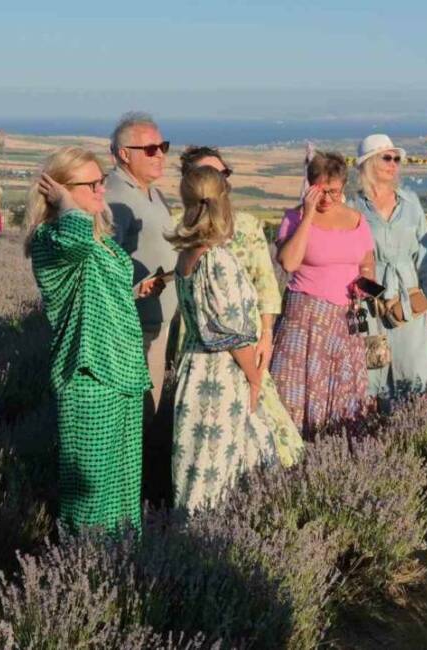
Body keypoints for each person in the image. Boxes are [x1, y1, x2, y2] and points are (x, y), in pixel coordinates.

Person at [24, 146, 151, 531]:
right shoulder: (52, 239)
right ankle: (84, 573)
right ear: (57, 191)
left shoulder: (100, 239)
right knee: (92, 497)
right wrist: (64, 205)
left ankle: (125, 570)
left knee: (125, 492)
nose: (101, 190)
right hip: (89, 376)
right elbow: (75, 245)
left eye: (103, 181)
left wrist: (131, 292)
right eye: (90, 184)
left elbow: (95, 285)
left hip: (125, 373)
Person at [167, 166, 302, 512]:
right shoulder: (216, 259)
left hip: (193, 369)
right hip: (220, 376)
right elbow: (231, 335)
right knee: (220, 470)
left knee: (197, 469)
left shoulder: (187, 255)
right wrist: (255, 378)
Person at [271, 152, 376, 438]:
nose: (327, 198)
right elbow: (289, 263)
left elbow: (367, 263)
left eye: (334, 191)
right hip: (305, 320)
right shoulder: (294, 218)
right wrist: (306, 216)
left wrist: (365, 283)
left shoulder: (357, 220)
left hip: (345, 322)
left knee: (344, 400)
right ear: (309, 186)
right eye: (321, 190)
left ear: (343, 187)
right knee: (294, 396)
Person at [352, 134, 427, 405]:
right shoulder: (353, 207)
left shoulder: (411, 202)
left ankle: (417, 423)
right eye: (387, 158)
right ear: (368, 164)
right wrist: (376, 295)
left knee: (414, 360)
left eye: (396, 158)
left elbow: (424, 256)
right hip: (369, 297)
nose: (394, 164)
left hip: (408, 293)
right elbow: (349, 259)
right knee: (373, 363)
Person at [105, 112, 175, 420]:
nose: (160, 154)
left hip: (157, 322)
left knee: (151, 409)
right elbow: (106, 261)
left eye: (163, 146)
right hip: (136, 327)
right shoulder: (115, 197)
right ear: (124, 154)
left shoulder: (152, 193)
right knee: (138, 416)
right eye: (150, 149)